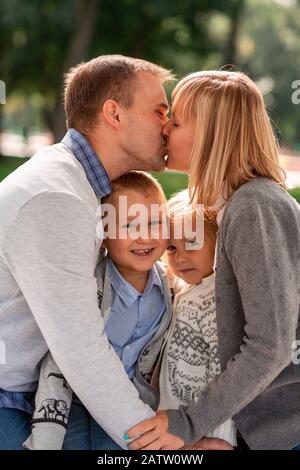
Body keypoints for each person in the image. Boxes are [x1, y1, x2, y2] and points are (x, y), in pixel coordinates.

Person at [0, 54, 174, 450]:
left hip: (42, 391)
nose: (168, 125)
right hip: (10, 395)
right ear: (114, 113)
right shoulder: (56, 197)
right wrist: (160, 445)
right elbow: (82, 352)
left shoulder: (79, 184)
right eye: (159, 110)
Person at [126, 71, 300, 450]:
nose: (165, 128)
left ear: (211, 133)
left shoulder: (255, 207)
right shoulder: (233, 206)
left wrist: (188, 422)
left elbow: (270, 348)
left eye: (177, 120)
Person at [23, 171, 180, 450]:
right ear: (104, 235)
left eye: (155, 223)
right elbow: (58, 360)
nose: (145, 236)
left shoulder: (170, 288)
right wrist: (46, 437)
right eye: (130, 226)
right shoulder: (88, 289)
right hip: (75, 400)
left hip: (130, 404)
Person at [156, 190, 236, 449]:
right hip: (174, 426)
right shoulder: (184, 289)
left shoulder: (215, 299)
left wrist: (220, 436)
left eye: (192, 242)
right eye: (171, 247)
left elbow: (224, 369)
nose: (179, 257)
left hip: (204, 433)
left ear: (217, 241)